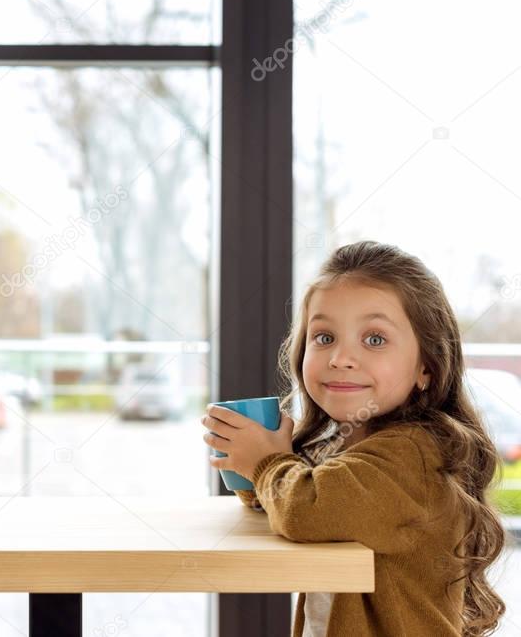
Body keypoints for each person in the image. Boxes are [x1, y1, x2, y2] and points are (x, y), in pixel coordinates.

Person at [202, 240, 506, 636]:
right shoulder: (345, 447)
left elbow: (306, 510)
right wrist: (255, 468)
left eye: (374, 339)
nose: (340, 358)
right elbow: (297, 503)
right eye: (324, 337)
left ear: (426, 368)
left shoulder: (410, 454)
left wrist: (267, 464)